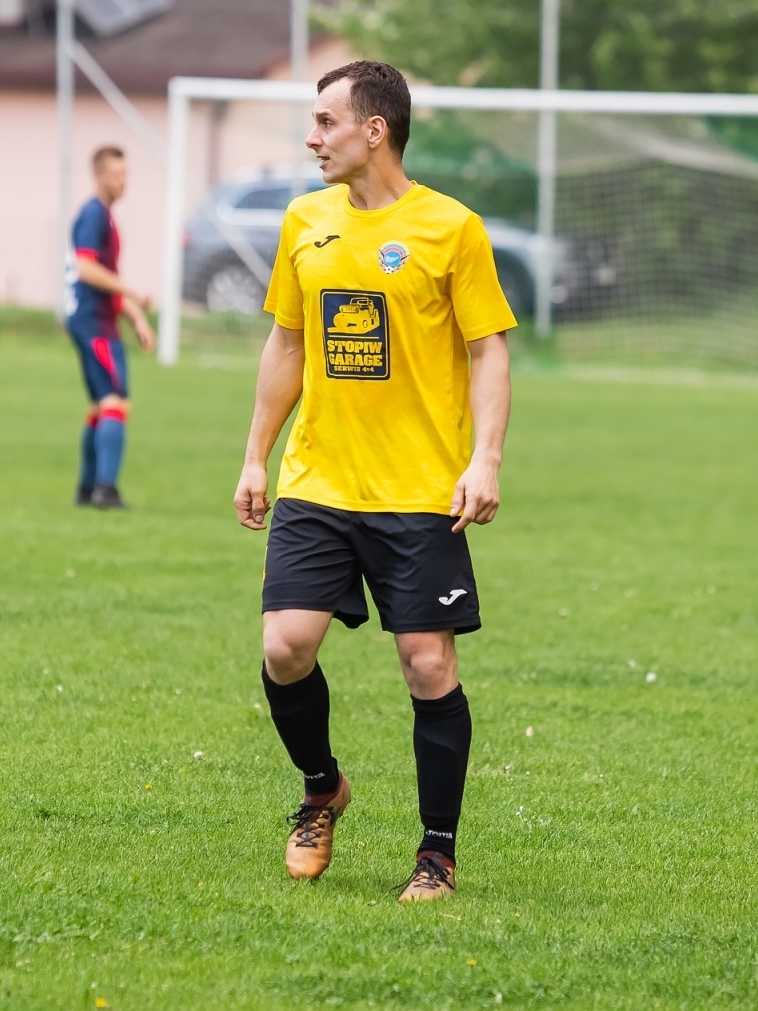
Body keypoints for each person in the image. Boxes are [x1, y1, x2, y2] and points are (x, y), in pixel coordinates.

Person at [233, 60, 516, 903]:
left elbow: (487, 349)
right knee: (285, 647)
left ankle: (437, 854)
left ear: (374, 131)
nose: (312, 138)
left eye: (326, 122)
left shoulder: (451, 228)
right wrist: (256, 454)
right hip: (319, 479)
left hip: (418, 491)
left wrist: (486, 457)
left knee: (427, 666)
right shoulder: (304, 221)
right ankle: (322, 788)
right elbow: (287, 343)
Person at [67, 145, 155, 510]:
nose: (122, 181)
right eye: (116, 174)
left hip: (99, 321)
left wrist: (133, 315)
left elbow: (104, 279)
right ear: (99, 176)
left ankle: (88, 489)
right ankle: (105, 490)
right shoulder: (93, 215)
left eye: (125, 174)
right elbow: (86, 270)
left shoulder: (105, 216)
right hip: (93, 324)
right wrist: (131, 292)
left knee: (102, 406)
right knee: (115, 402)